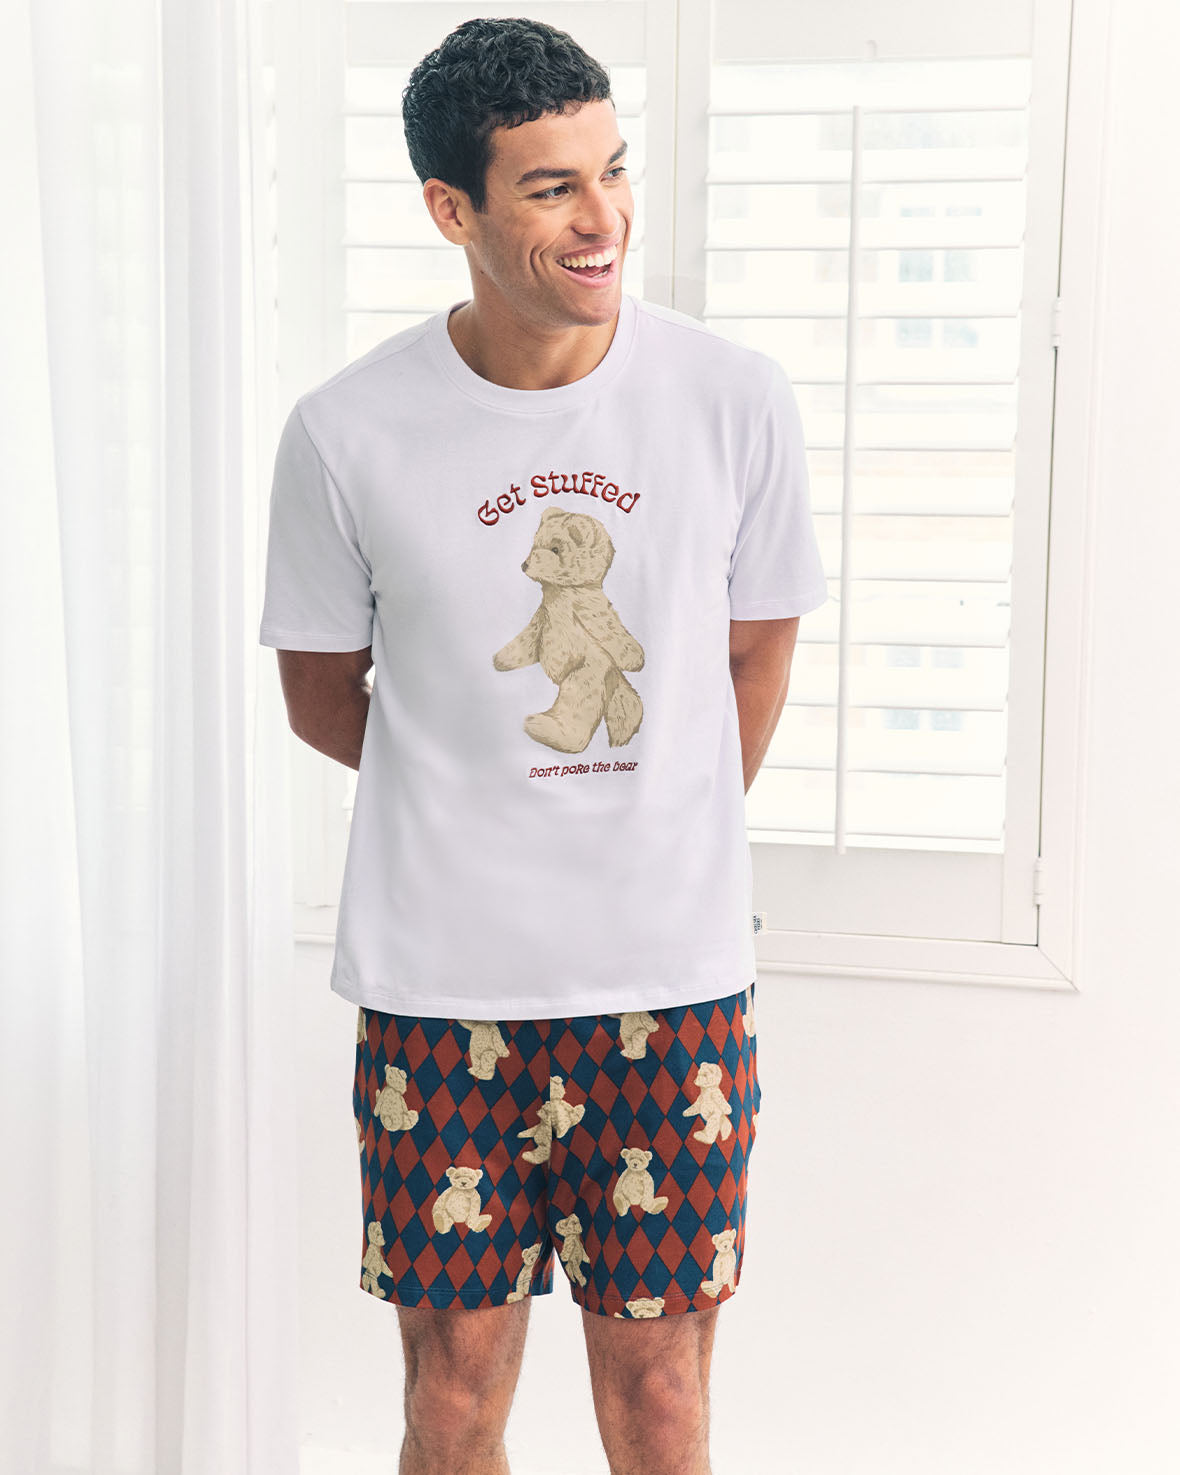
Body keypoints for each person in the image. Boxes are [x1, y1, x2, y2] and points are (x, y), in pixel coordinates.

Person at [258, 16, 827, 1475]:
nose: (604, 218)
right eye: (552, 186)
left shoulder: (732, 399)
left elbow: (753, 654)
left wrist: (654, 811)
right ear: (450, 209)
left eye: (612, 170)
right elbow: (321, 694)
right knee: (450, 1399)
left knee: (661, 1398)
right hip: (440, 992)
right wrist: (491, 783)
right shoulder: (347, 433)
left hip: (670, 983)